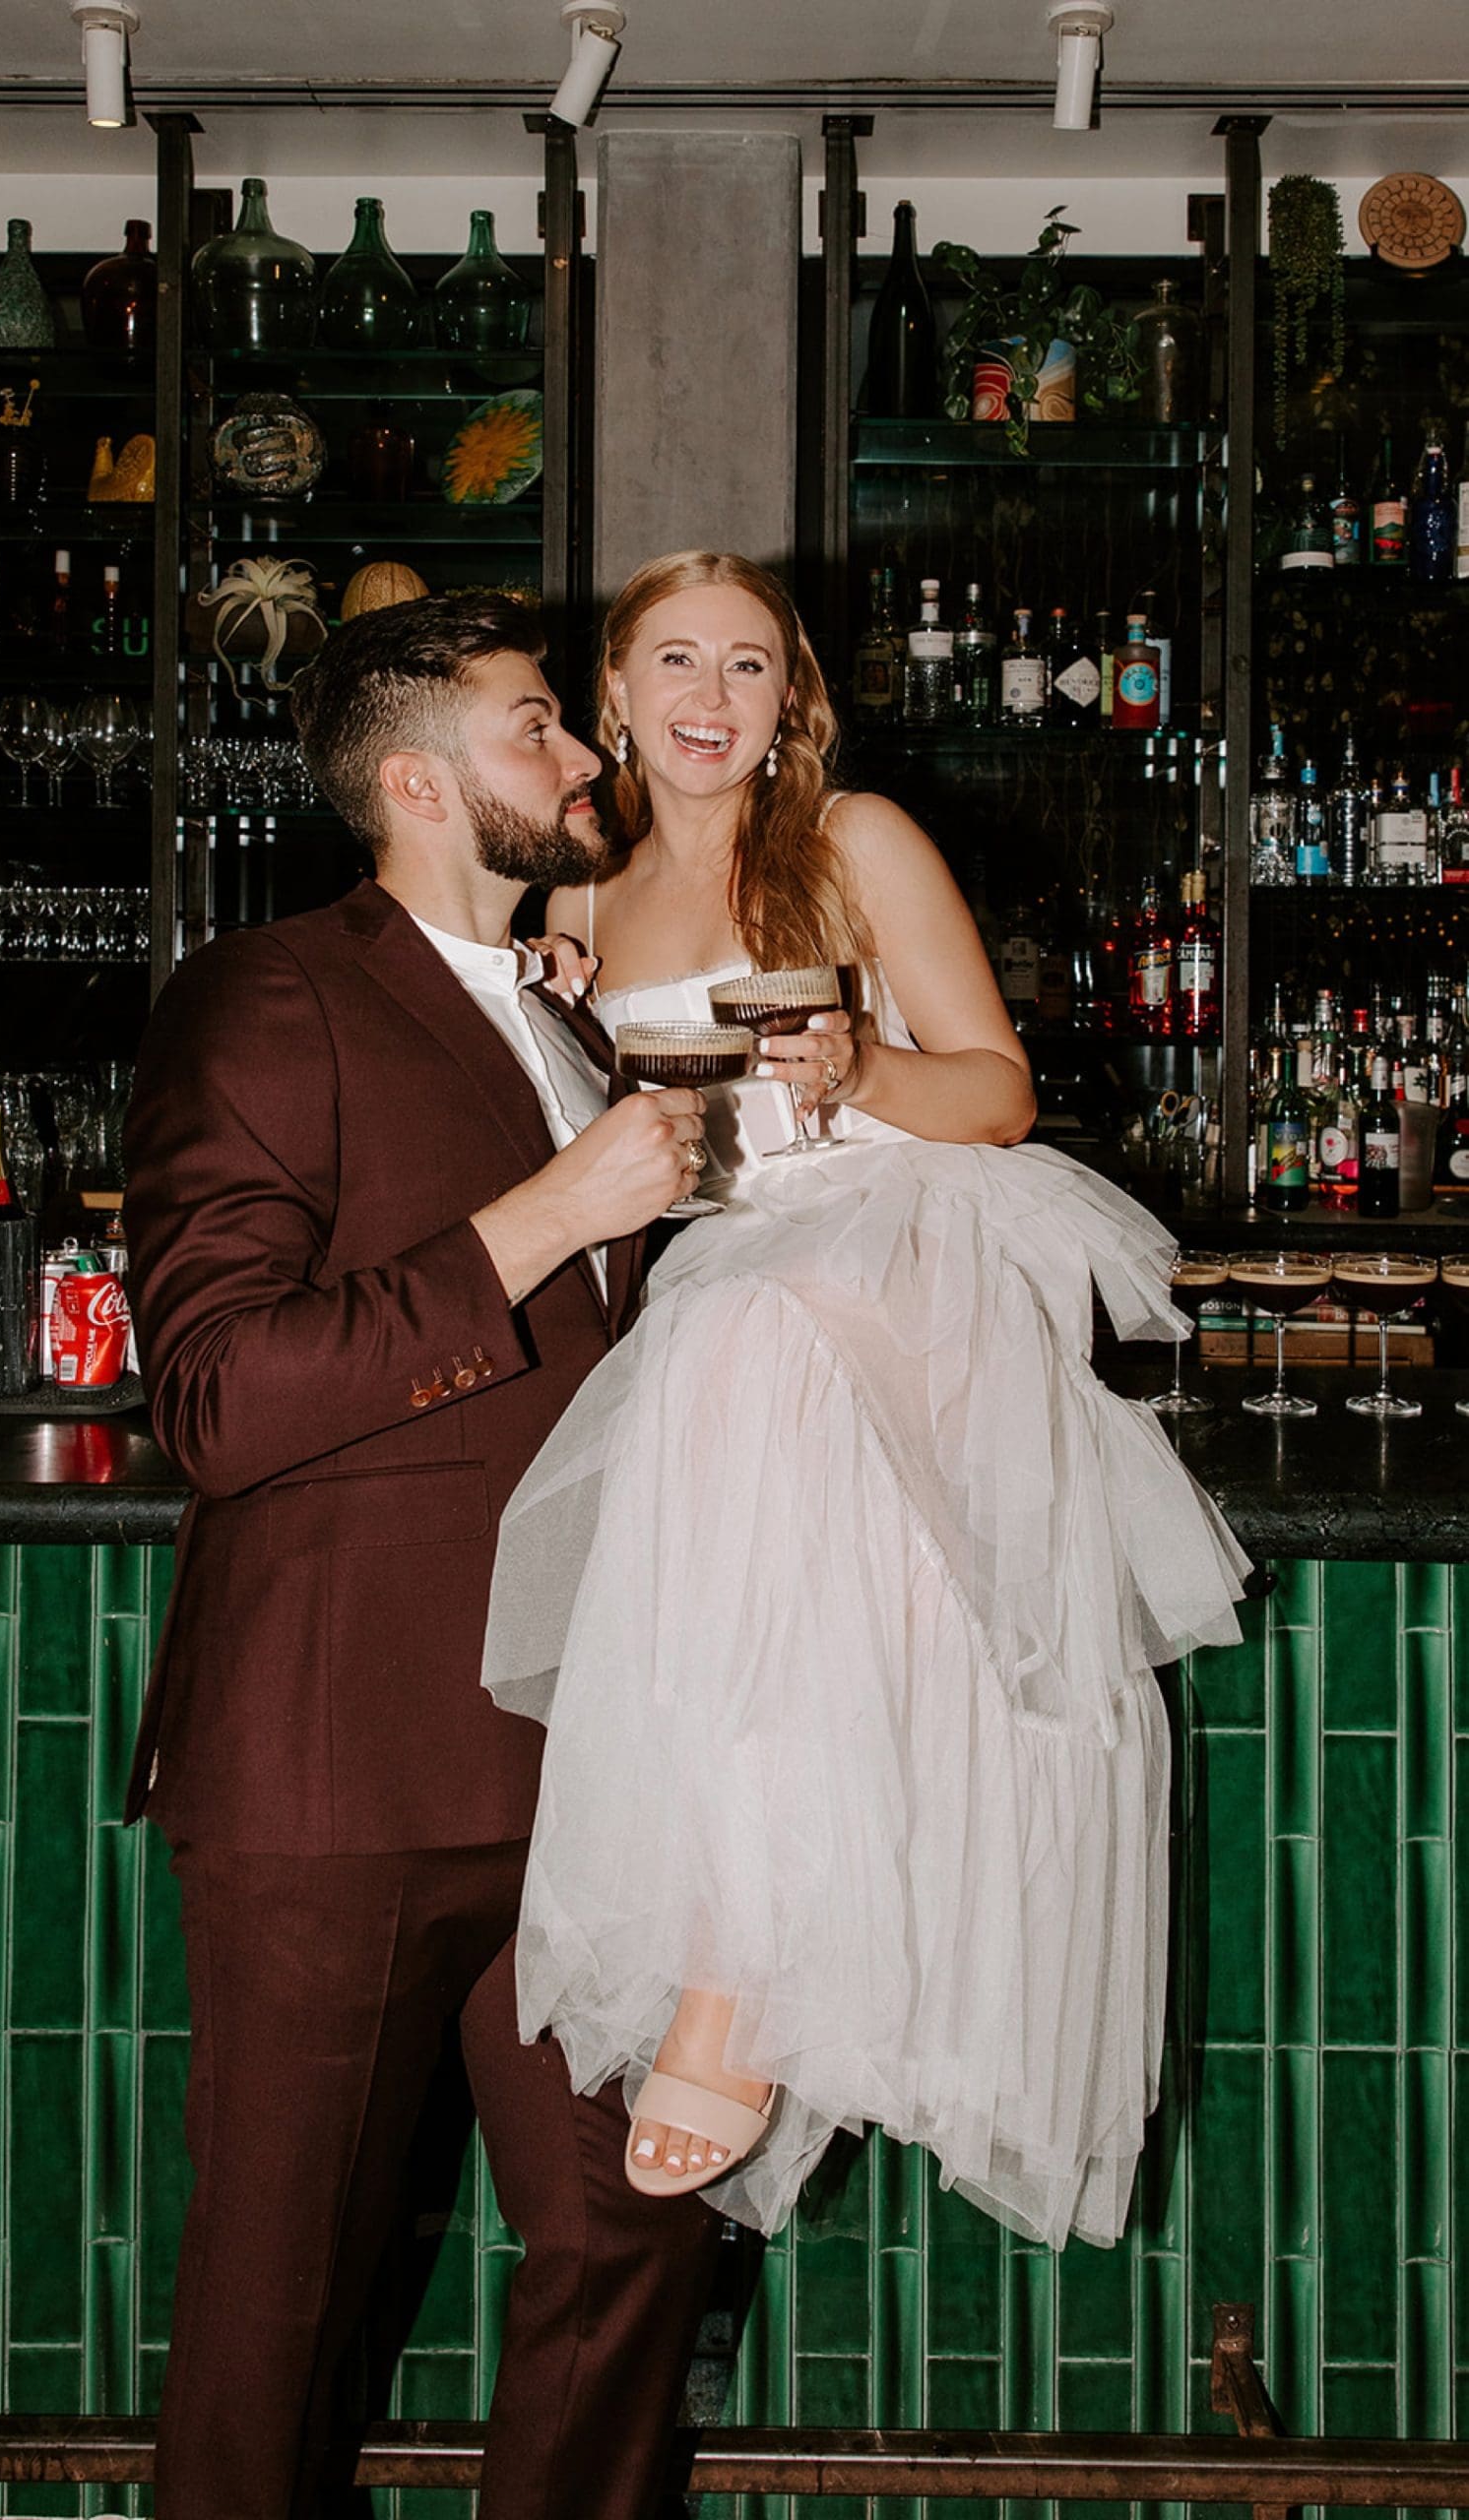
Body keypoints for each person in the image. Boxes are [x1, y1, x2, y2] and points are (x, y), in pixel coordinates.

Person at [481, 551, 1251, 2250]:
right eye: (672, 659)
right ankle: (743, 1946)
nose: (708, 694)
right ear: (613, 696)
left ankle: (736, 1992)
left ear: (789, 705)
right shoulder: (578, 907)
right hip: (738, 1278)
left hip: (909, 1235)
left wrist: (863, 1067)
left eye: (747, 666)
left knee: (744, 1339)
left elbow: (997, 1092)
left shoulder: (853, 842)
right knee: (733, 1444)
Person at [121, 591, 723, 2520]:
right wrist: (555, 1207)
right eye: (540, 725)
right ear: (413, 778)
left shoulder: (566, 1002)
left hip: (578, 1764)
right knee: (282, 2316)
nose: (583, 757)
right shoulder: (266, 992)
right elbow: (214, 1394)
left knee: (635, 2237)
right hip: (336, 1770)